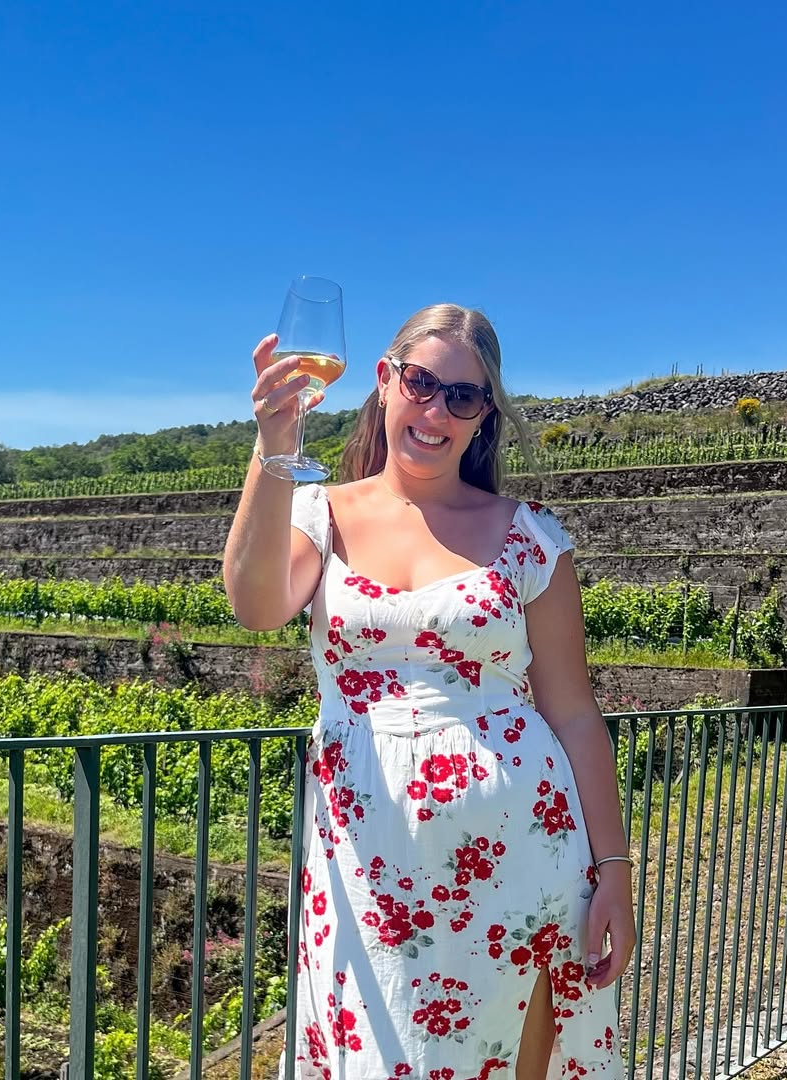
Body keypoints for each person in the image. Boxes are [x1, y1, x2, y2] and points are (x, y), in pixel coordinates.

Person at [223, 304, 635, 1080]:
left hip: (523, 863)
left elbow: (575, 715)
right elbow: (254, 604)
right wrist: (273, 446)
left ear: (484, 416)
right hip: (366, 863)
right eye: (421, 383)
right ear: (385, 381)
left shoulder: (532, 537)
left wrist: (614, 866)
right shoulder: (319, 514)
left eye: (463, 396)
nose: (437, 410)